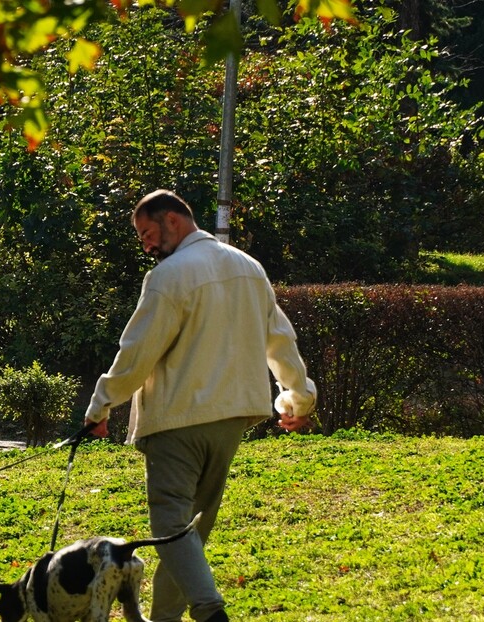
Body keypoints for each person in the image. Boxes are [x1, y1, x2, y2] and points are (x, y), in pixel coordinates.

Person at [82, 190, 317, 622]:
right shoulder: (250, 268)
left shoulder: (169, 276)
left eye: (148, 233)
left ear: (173, 219)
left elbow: (136, 353)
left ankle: (210, 611)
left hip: (177, 420)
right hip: (232, 420)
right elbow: (281, 341)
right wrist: (299, 399)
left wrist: (100, 408)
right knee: (190, 531)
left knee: (171, 525)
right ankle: (166, 618)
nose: (147, 246)